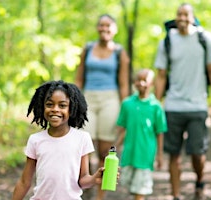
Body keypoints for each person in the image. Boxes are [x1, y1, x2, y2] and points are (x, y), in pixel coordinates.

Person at [153, 3, 211, 200]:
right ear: (175, 18)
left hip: (198, 105)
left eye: (186, 14)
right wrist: (156, 105)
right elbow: (161, 75)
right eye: (179, 14)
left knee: (197, 153)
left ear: (192, 17)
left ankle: (199, 180)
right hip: (173, 106)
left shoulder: (204, 39)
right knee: (173, 154)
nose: (182, 18)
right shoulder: (167, 41)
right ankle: (176, 195)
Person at [12, 80, 104, 200]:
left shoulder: (82, 138)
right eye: (49, 104)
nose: (55, 109)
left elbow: (82, 180)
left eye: (62, 105)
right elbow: (24, 181)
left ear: (71, 109)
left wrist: (94, 179)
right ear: (42, 107)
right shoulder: (35, 140)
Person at [75, 13, 130, 200]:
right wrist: (73, 100)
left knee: (106, 150)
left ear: (114, 29)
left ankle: (101, 193)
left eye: (108, 26)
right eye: (101, 25)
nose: (104, 29)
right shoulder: (88, 48)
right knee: (84, 146)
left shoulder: (119, 52)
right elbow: (79, 78)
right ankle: (86, 183)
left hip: (110, 99)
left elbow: (123, 83)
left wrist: (125, 111)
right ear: (97, 28)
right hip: (87, 98)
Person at [115, 69, 167, 200]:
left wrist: (160, 155)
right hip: (129, 154)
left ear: (152, 84)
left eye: (145, 80)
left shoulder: (156, 106)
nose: (141, 83)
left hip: (145, 155)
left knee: (140, 191)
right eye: (138, 80)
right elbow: (123, 129)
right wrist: (114, 148)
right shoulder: (127, 104)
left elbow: (160, 132)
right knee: (131, 187)